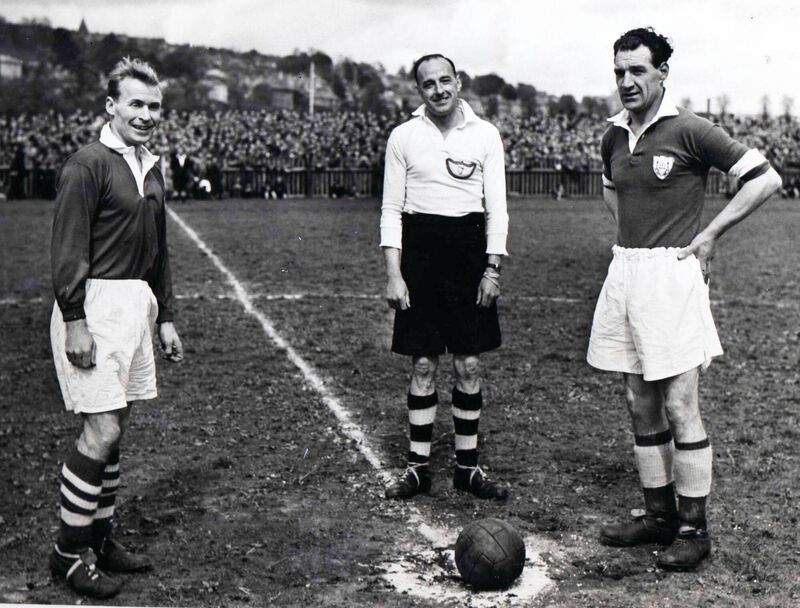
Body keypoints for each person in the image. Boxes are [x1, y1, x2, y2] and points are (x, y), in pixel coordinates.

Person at [588, 28, 782, 571]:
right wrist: (634, 239)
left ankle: (695, 530)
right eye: (620, 72)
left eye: (637, 72)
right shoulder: (613, 136)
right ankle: (657, 516)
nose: (626, 81)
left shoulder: (692, 129)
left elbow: (764, 179)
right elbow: (611, 188)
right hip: (627, 271)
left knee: (679, 404)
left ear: (662, 73)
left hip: (672, 277)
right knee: (639, 402)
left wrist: (710, 235)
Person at [49, 57, 184, 598]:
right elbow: (67, 249)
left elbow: (161, 250)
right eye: (136, 104)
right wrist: (76, 321)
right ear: (111, 106)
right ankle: (66, 552)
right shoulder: (87, 164)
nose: (147, 115)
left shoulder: (150, 167)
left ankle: (99, 537)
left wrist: (167, 316)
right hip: (95, 306)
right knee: (100, 431)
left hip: (136, 305)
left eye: (154, 106)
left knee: (115, 432)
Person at [380, 53, 509, 501]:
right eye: (428, 83)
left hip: (469, 253)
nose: (438, 90)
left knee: (468, 364)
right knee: (422, 363)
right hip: (421, 254)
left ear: (459, 82)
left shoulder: (486, 135)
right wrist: (395, 273)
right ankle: (418, 468)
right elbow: (391, 210)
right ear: (419, 91)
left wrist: (492, 268)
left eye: (445, 80)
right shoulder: (403, 137)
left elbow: (498, 210)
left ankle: (467, 468)